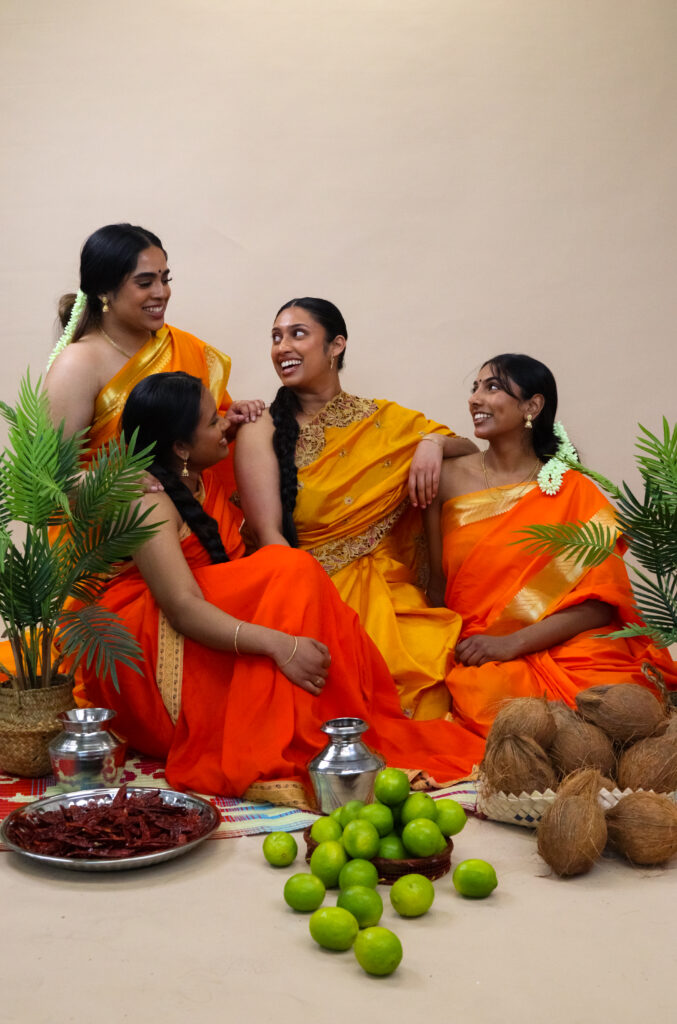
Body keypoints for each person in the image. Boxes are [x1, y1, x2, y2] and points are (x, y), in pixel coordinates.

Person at [75, 372, 484, 804]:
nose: (225, 425)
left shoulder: (197, 470)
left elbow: (215, 451)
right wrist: (279, 645)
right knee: (289, 568)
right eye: (213, 422)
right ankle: (301, 738)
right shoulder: (148, 497)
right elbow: (181, 606)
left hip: (204, 618)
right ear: (179, 447)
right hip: (145, 650)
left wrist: (236, 421)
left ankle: (324, 727)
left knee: (293, 570)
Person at [234, 298, 477, 720]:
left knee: (431, 679)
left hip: (383, 589)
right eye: (276, 337)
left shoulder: (382, 420)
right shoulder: (262, 428)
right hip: (306, 595)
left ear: (336, 346)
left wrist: (432, 443)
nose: (282, 347)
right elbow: (270, 538)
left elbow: (470, 450)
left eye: (297, 334)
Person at [424, 353, 677, 738]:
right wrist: (432, 442)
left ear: (533, 405)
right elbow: (437, 588)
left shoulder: (573, 489)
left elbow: (598, 606)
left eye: (492, 387)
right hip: (481, 651)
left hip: (567, 643)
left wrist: (513, 642)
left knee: (622, 702)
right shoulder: (444, 479)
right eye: (474, 388)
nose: (475, 398)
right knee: (500, 709)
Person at [45, 223, 262, 493]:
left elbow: (187, 445)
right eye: (145, 283)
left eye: (165, 279)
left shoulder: (181, 345)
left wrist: (223, 425)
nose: (161, 293)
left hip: (196, 514)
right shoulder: (77, 365)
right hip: (119, 527)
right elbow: (48, 480)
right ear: (103, 290)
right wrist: (112, 481)